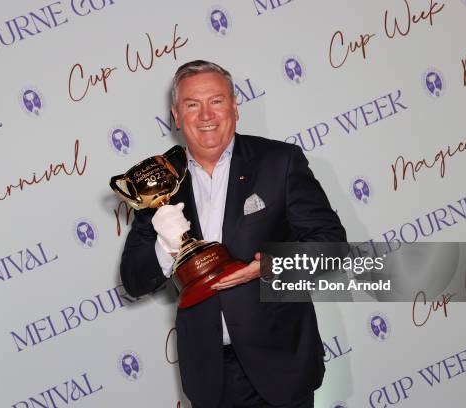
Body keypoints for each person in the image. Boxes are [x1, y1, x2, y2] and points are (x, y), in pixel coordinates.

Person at [120, 60, 346, 408]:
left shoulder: (279, 162)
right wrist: (167, 244)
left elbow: (332, 246)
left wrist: (268, 266)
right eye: (192, 104)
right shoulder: (157, 181)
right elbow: (134, 279)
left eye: (217, 101)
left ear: (235, 107)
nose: (206, 115)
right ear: (176, 116)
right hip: (209, 374)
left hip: (281, 365)